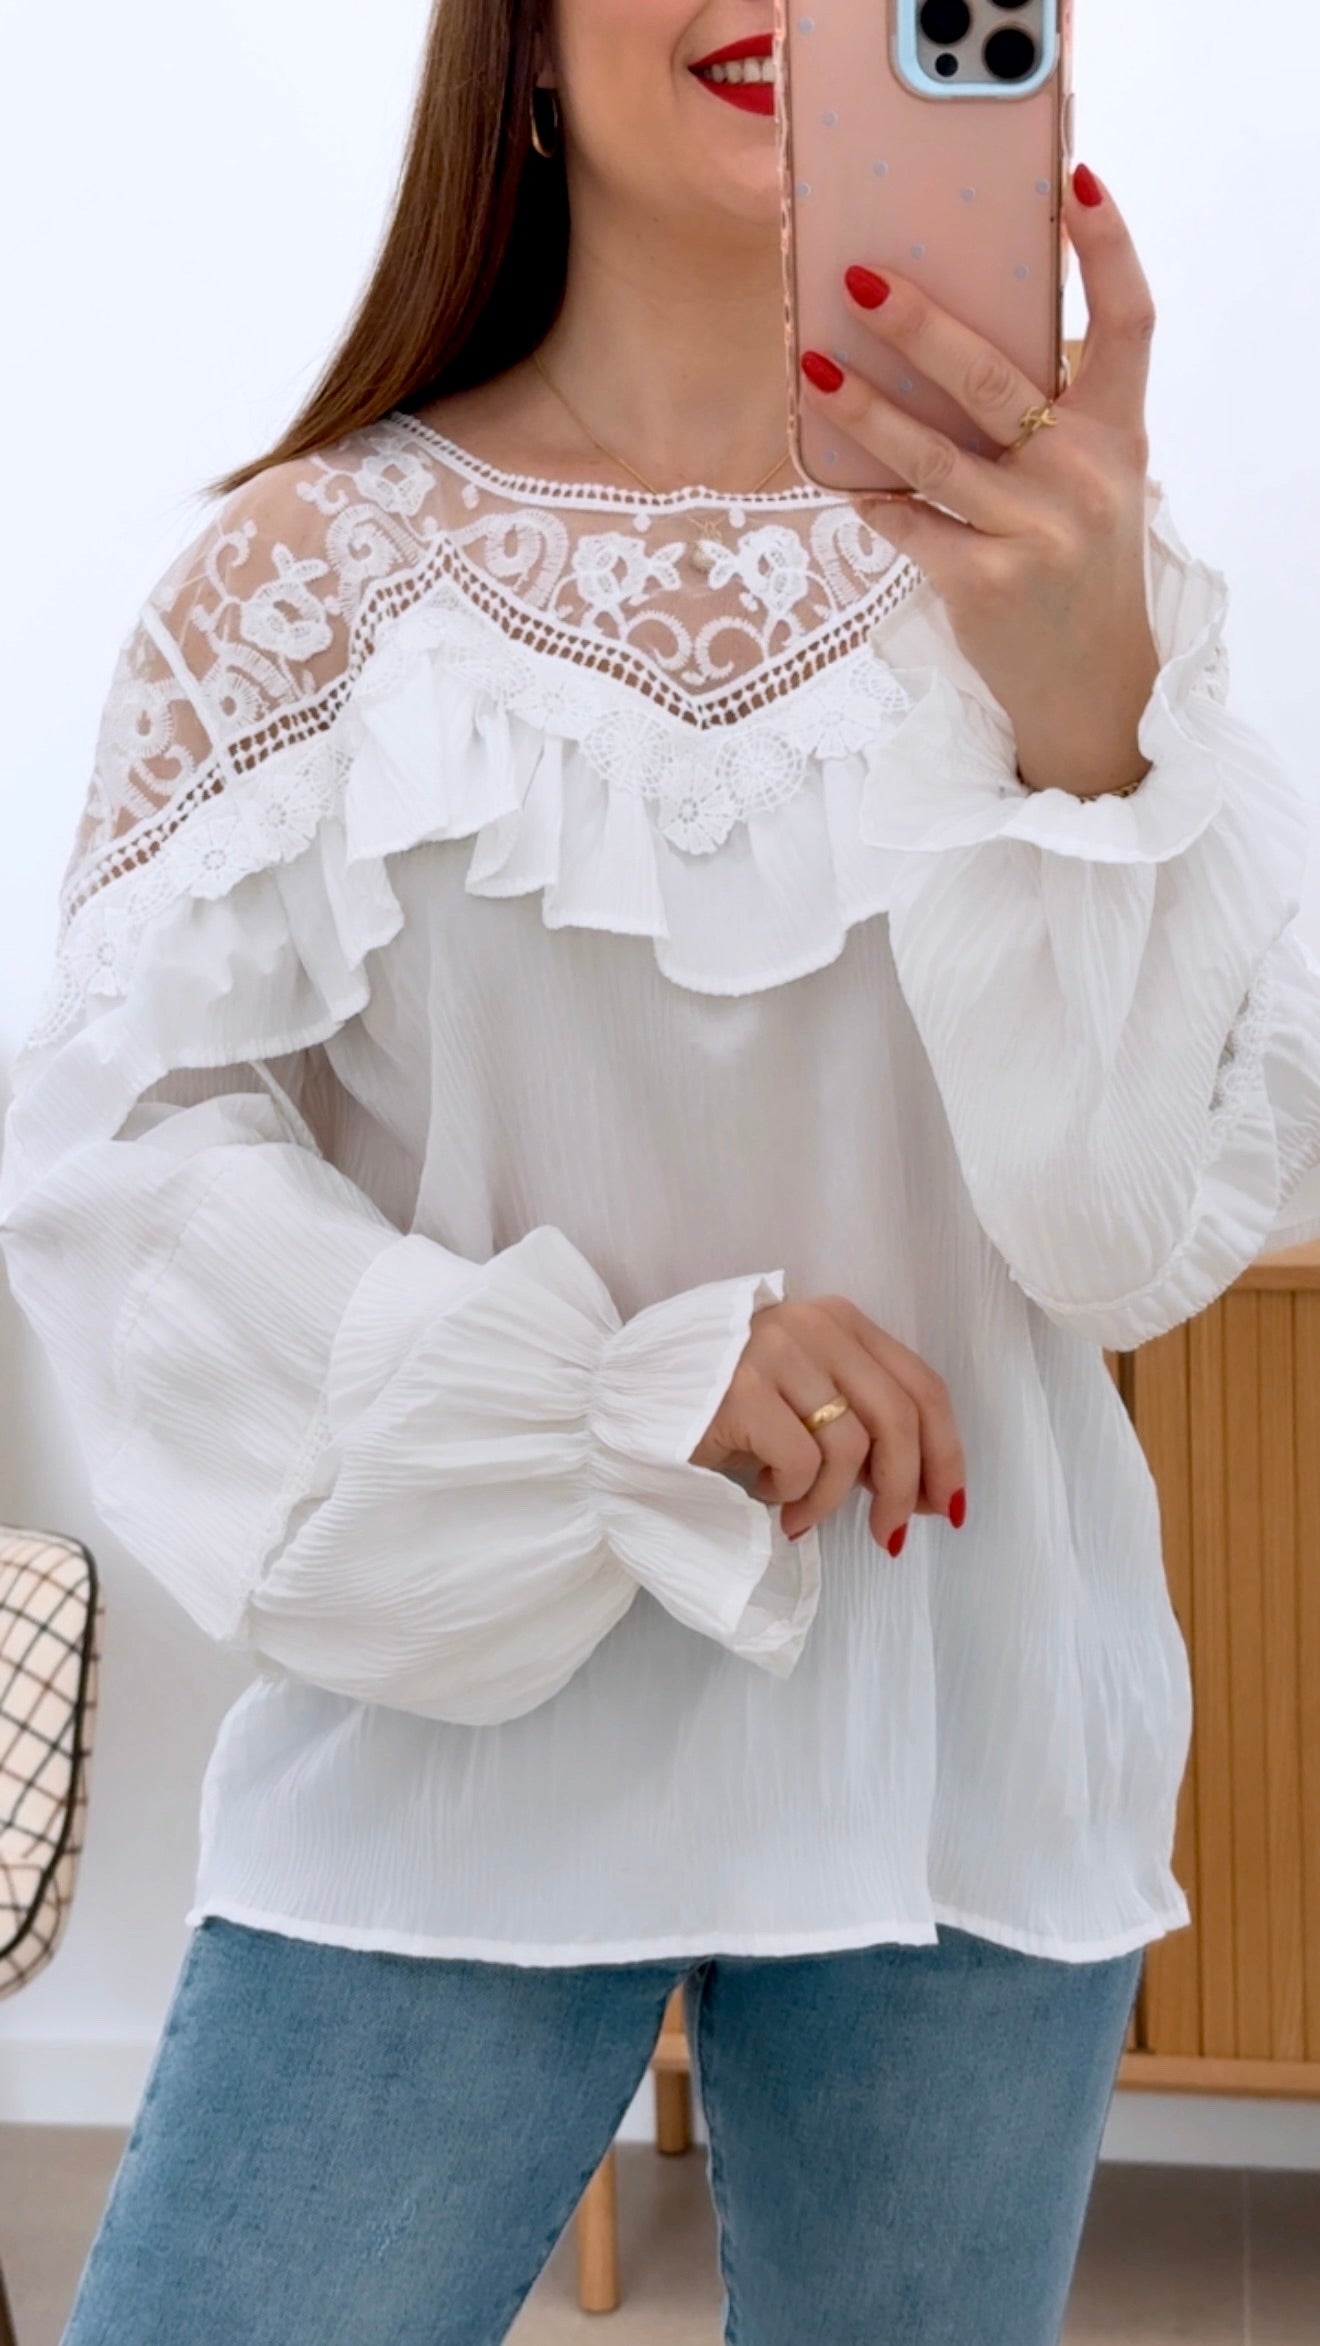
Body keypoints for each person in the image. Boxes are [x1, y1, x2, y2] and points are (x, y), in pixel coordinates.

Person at [4, 3, 1320, 2341]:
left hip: (969, 1732)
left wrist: (1082, 712)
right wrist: (613, 1389)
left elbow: (1118, 1245)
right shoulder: (302, 580)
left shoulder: (1066, 561)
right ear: (515, 47)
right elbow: (125, 1188)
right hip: (455, 1741)